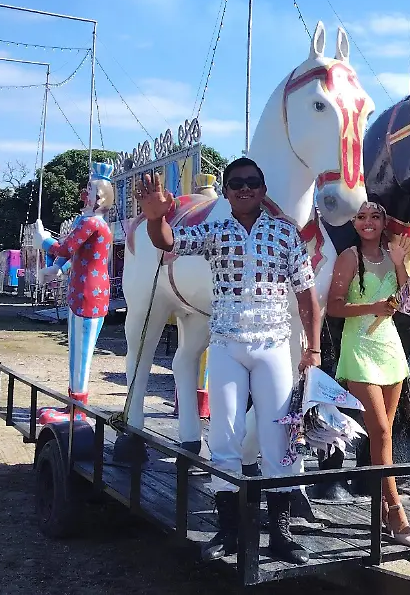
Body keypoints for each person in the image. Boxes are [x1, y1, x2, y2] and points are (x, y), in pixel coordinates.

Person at [135, 157, 321, 565]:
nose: (244, 188)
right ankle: (230, 531)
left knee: (278, 442)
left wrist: (314, 349)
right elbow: (169, 241)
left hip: (273, 346)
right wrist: (154, 218)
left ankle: (281, 534)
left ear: (263, 187)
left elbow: (308, 295)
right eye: (235, 183)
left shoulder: (286, 233)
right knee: (224, 438)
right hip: (226, 345)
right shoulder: (215, 229)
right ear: (226, 189)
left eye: (252, 182)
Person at [326, 201, 410, 548]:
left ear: (384, 222)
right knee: (379, 430)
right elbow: (334, 306)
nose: (368, 222)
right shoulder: (349, 257)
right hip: (359, 348)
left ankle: (380, 512)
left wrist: (400, 265)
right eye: (362, 216)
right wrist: (373, 307)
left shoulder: (394, 253)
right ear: (353, 221)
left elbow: (408, 301)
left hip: (389, 347)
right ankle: (397, 511)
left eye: (375, 216)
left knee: (386, 434)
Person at [33, 161, 115, 423]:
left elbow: (66, 247)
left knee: (81, 351)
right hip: (87, 293)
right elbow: (77, 256)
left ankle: (77, 410)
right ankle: (74, 404)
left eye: (87, 191)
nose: (83, 195)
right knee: (78, 350)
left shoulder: (91, 223)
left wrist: (43, 240)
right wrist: (56, 268)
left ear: (98, 198)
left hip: (86, 296)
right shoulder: (96, 225)